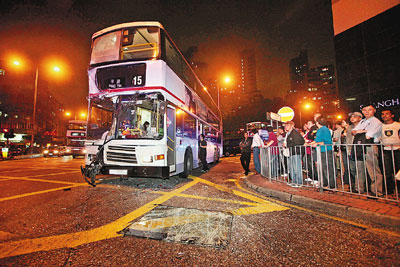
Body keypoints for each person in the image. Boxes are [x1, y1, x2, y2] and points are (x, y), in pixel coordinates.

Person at [352, 104, 383, 197]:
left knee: (373, 169)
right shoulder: (362, 121)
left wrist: (360, 131)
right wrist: (362, 131)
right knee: (360, 168)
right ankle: (359, 189)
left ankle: (376, 191)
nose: (367, 112)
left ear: (374, 111)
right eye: (365, 110)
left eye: (369, 110)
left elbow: (368, 136)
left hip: (370, 146)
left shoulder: (376, 122)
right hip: (360, 147)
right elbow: (353, 132)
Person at [310, 116, 335, 189]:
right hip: (322, 151)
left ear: (317, 123)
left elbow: (327, 142)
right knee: (323, 168)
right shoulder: (320, 129)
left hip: (326, 150)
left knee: (328, 168)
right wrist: (310, 144)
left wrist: (316, 144)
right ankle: (325, 183)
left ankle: (331, 185)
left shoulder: (324, 129)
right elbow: (317, 140)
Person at [381, 108, 400, 195]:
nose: (384, 116)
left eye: (387, 114)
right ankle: (389, 190)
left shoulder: (398, 125)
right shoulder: (380, 126)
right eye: (383, 114)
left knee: (398, 171)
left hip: (397, 150)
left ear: (392, 115)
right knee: (387, 171)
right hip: (386, 150)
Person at [348, 112, 367, 193]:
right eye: (351, 117)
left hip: (360, 150)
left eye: (354, 116)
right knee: (352, 169)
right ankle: (355, 185)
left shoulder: (364, 126)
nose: (352, 118)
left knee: (360, 169)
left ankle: (359, 188)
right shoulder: (349, 127)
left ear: (360, 118)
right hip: (350, 150)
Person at [284, 121, 305, 187]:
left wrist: (287, 144)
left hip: (296, 152)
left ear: (291, 126)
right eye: (285, 125)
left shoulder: (295, 133)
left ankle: (299, 182)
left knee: (296, 168)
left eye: (287, 125)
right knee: (292, 168)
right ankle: (294, 181)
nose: (286, 126)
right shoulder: (289, 133)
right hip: (291, 152)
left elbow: (299, 142)